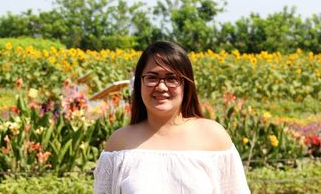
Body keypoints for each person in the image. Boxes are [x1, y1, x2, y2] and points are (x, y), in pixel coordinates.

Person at [93, 41, 250, 194]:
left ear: (186, 84)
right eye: (152, 77)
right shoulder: (119, 143)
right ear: (139, 83)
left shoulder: (213, 137)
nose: (161, 87)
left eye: (171, 78)